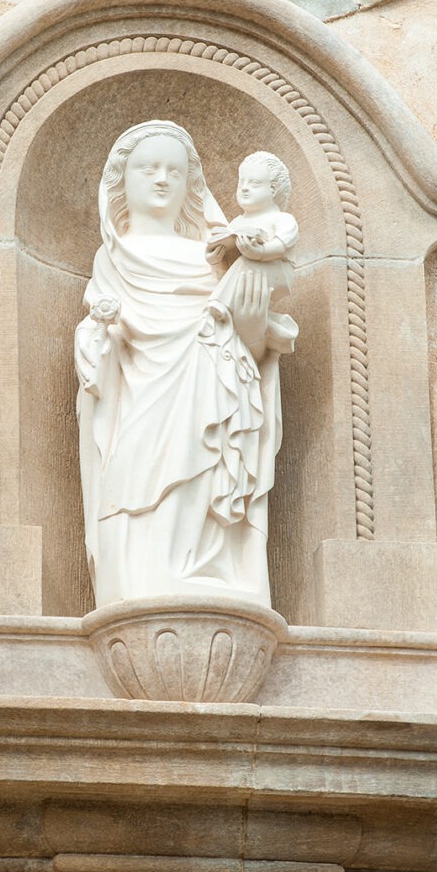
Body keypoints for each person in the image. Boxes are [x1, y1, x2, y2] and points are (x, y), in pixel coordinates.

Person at [74, 121, 293, 609]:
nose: (161, 179)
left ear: (190, 183)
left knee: (208, 466)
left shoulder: (213, 257)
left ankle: (211, 569)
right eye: (147, 168)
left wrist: (252, 321)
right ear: (121, 181)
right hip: (141, 396)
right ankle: (142, 581)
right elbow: (97, 336)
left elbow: (250, 343)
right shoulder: (112, 259)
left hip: (213, 388)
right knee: (136, 475)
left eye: (174, 171)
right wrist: (97, 338)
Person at [206, 151, 299, 355]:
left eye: (254, 184)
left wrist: (261, 252)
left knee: (246, 264)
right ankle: (224, 306)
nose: (245, 188)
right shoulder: (237, 223)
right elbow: (227, 261)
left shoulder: (282, 219)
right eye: (241, 183)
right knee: (241, 267)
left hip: (277, 274)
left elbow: (282, 245)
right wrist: (216, 256)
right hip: (245, 277)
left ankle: (220, 304)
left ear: (273, 190)